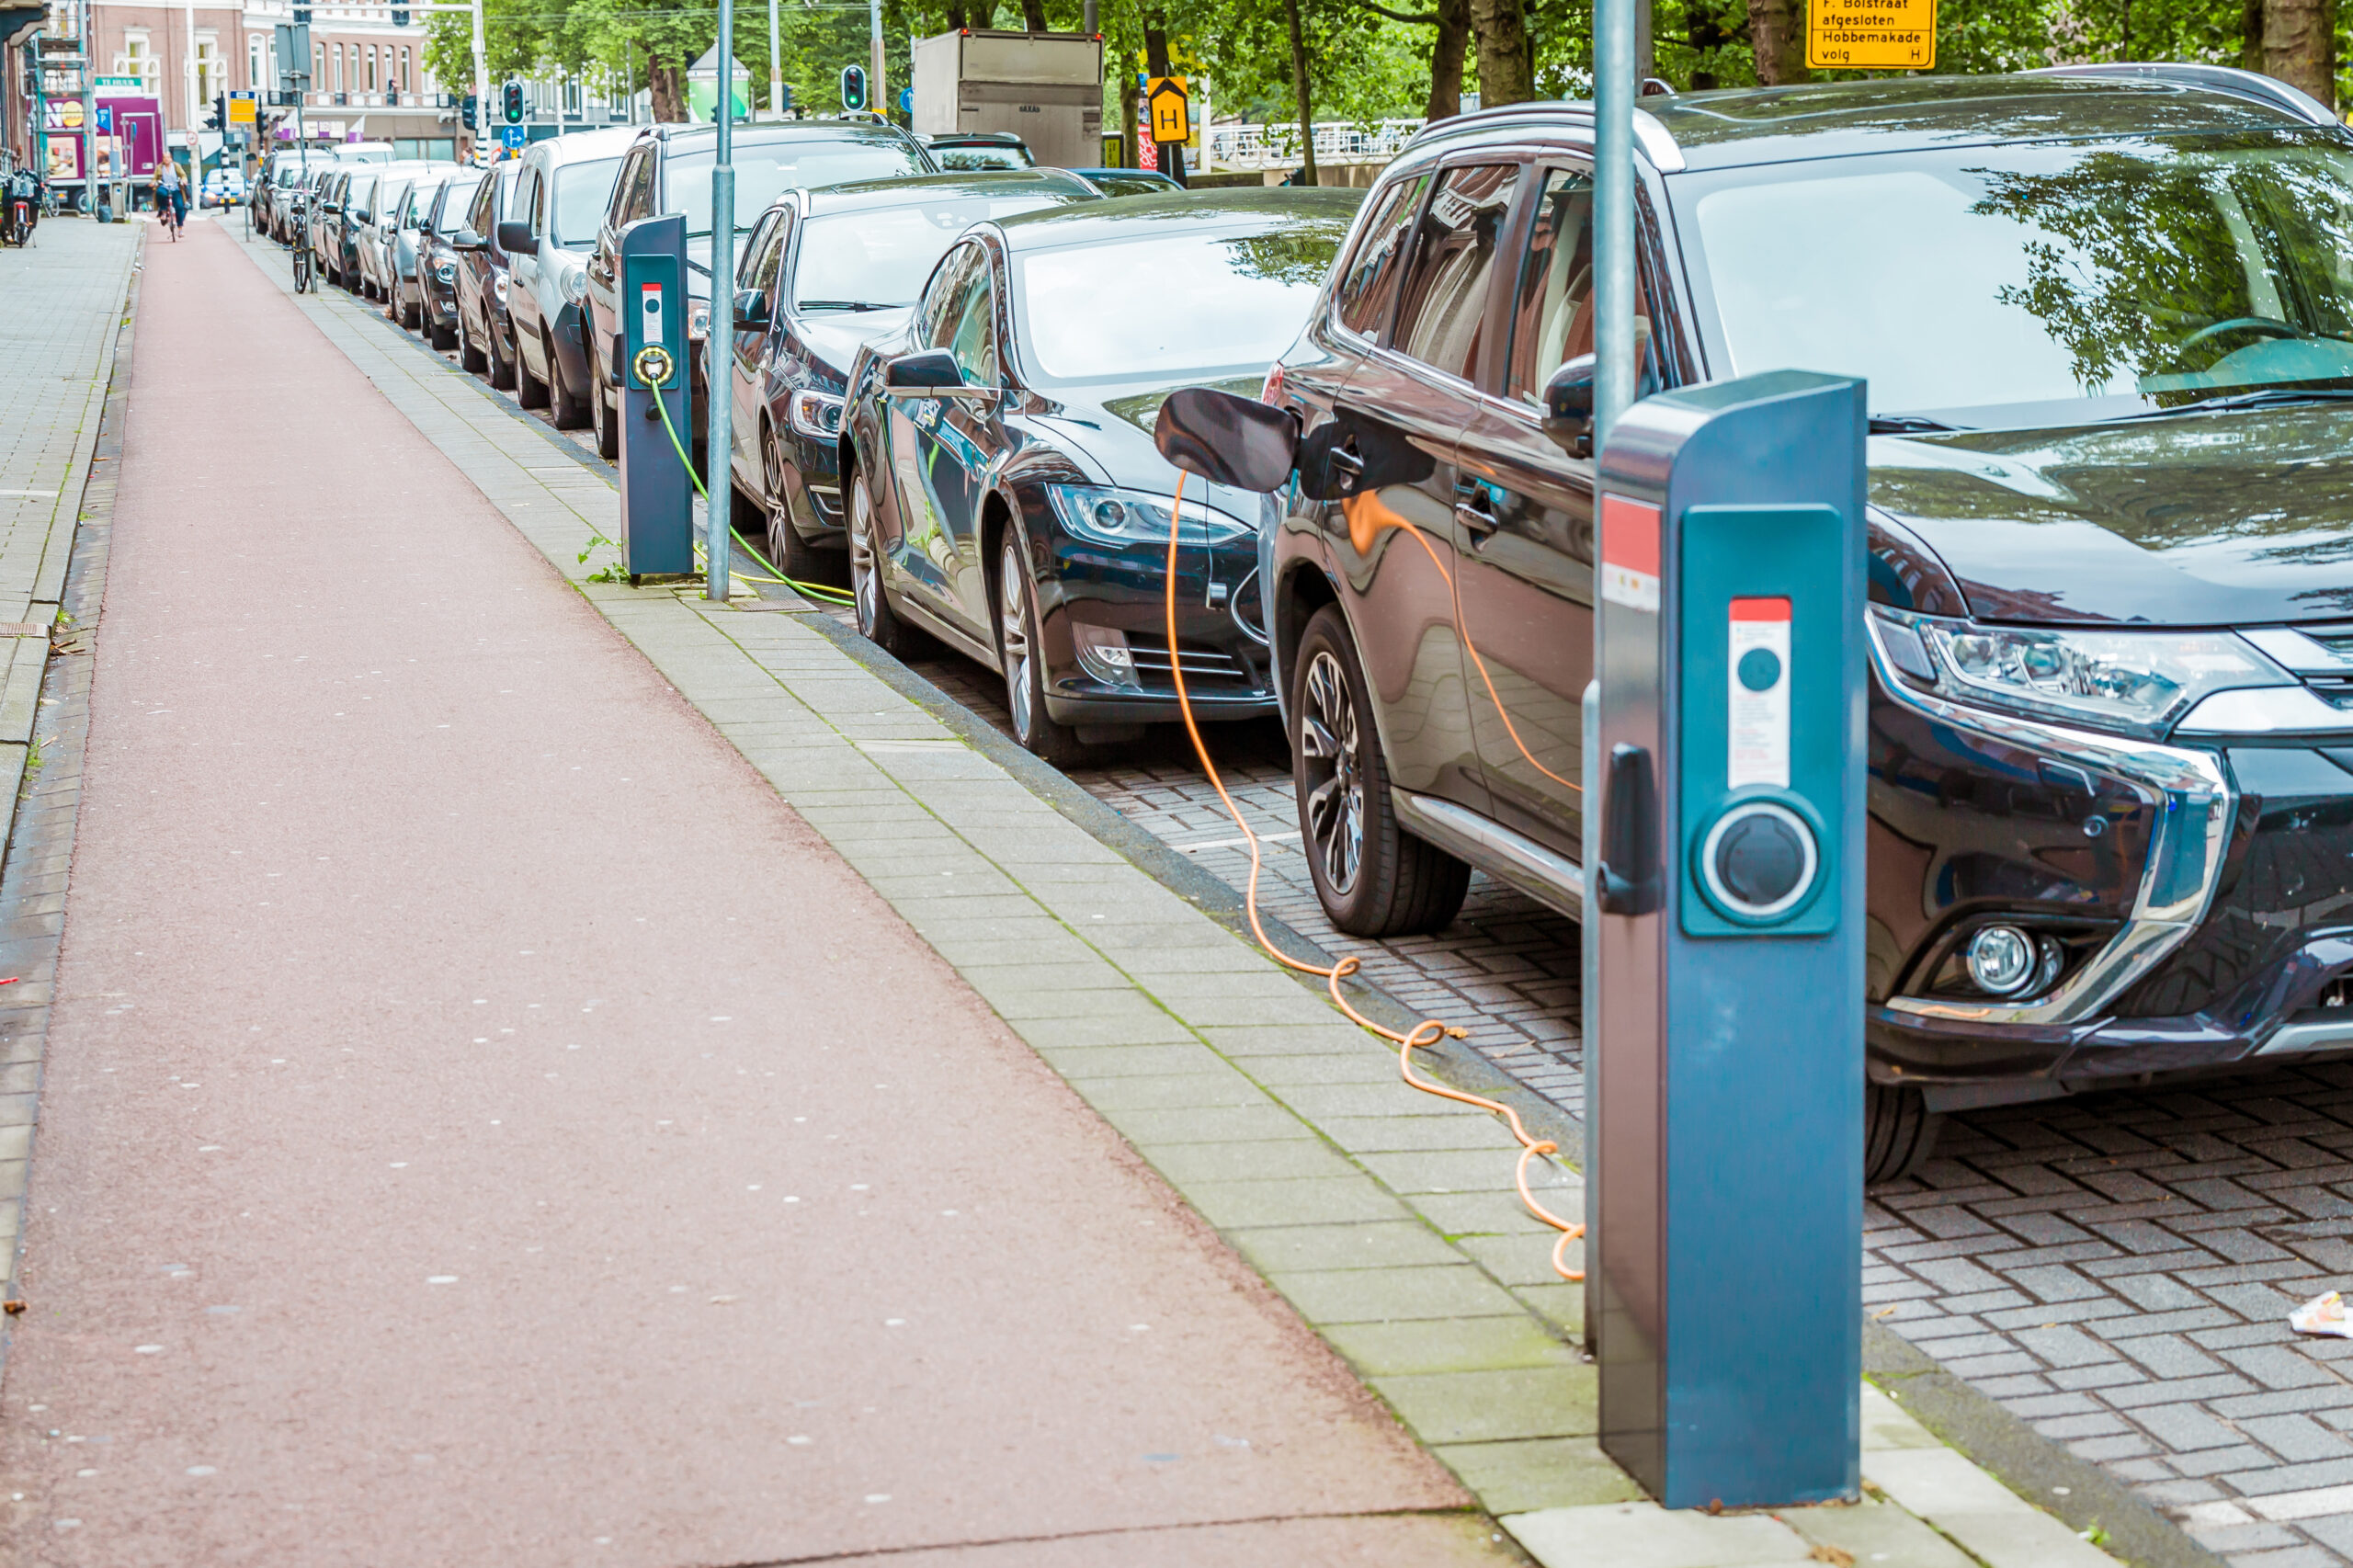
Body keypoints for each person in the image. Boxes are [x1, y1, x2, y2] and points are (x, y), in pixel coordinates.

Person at [154, 162, 187, 237]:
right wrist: (153, 182)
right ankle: (164, 211)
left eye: (168, 157)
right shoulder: (160, 167)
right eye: (165, 158)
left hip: (175, 188)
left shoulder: (176, 166)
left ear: (171, 159)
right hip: (164, 187)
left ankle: (180, 229)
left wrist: (184, 180)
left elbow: (183, 175)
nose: (166, 159)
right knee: (160, 193)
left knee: (180, 207)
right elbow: (155, 178)